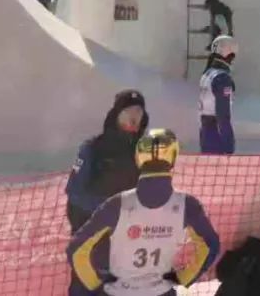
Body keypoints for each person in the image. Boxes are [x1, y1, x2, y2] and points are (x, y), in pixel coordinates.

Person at [67, 128, 220, 296]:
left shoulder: (117, 204)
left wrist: (94, 283)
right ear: (173, 157)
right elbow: (210, 245)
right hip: (161, 291)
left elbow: (76, 249)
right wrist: (184, 277)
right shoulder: (187, 205)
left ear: (139, 158)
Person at [65, 90, 149, 233]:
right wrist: (109, 209)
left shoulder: (144, 152)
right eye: (128, 112)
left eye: (138, 113)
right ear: (117, 116)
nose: (134, 118)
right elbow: (75, 194)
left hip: (129, 230)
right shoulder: (93, 148)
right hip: (92, 227)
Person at [199, 35, 237, 155]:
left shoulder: (208, 73)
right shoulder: (222, 78)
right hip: (217, 136)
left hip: (205, 133)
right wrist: (228, 145)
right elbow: (222, 114)